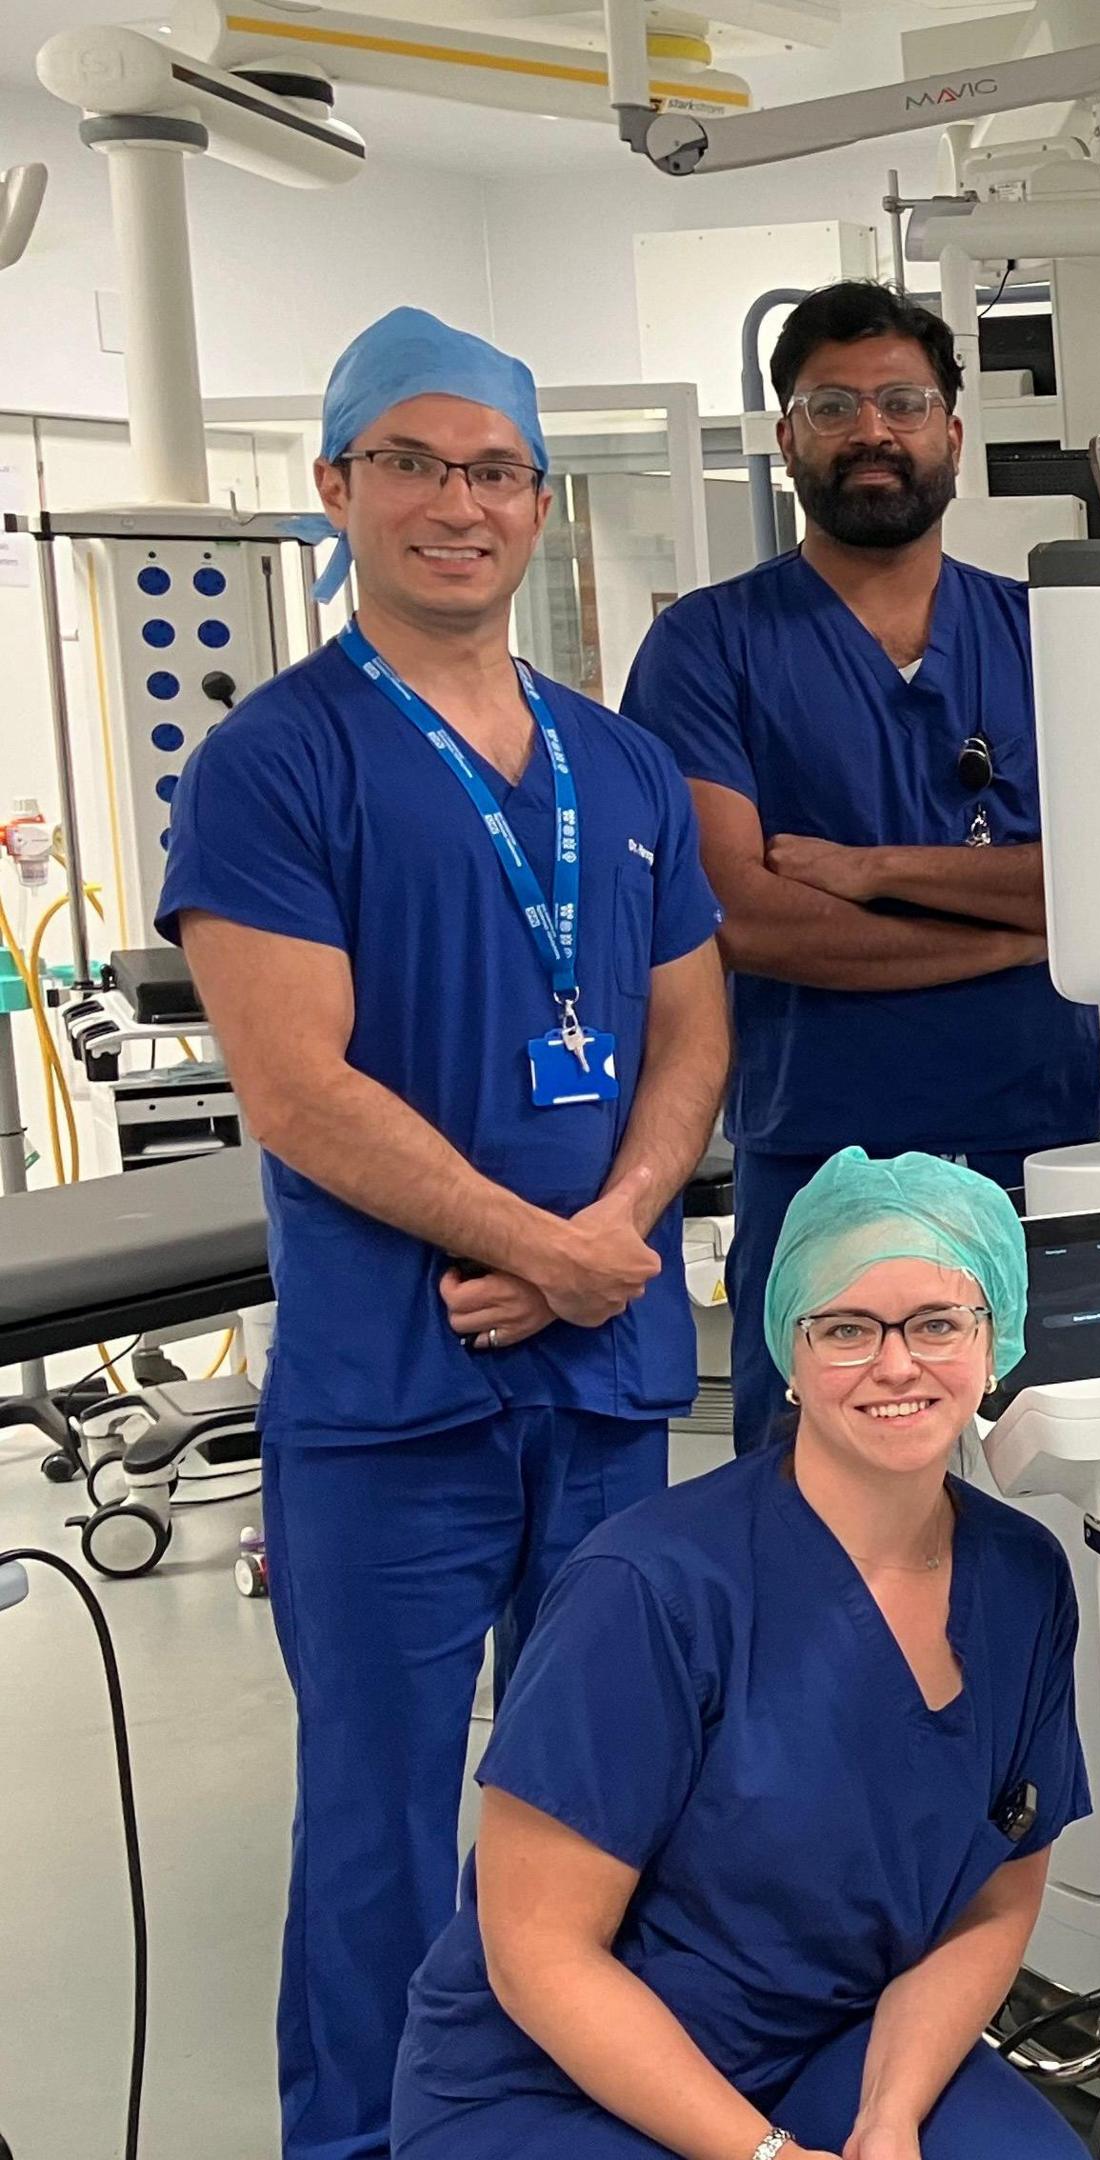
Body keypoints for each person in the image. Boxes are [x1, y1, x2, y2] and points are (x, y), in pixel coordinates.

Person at [157, 308, 730, 2160]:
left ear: (543, 508)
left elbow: (694, 1025)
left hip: (604, 1366)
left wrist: (620, 1225)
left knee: (603, 1793)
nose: (456, 504)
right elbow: (297, 1088)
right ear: (335, 487)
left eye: (493, 470)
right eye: (411, 462)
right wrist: (538, 1243)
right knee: (383, 1820)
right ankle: (369, 2142)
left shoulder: (618, 766)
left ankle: (579, 2117)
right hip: (392, 1393)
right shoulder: (275, 765)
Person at [391, 1150, 1088, 2160]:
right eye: (846, 1328)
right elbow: (538, 1951)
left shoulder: (1022, 1578)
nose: (897, 1364)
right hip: (554, 2083)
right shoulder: (649, 1588)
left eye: (939, 1323)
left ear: (997, 1341)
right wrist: (763, 2155)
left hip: (824, 2044)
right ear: (790, 1355)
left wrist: (889, 2116)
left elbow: (998, 1895)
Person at [623, 280, 1097, 1433]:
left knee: (1051, 1494)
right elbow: (748, 918)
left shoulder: (1053, 635)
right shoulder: (708, 647)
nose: (872, 431)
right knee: (812, 1509)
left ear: (952, 435)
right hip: (819, 1152)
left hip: (1037, 1147)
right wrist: (1039, 924)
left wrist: (877, 869)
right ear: (787, 439)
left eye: (902, 402)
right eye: (832, 406)